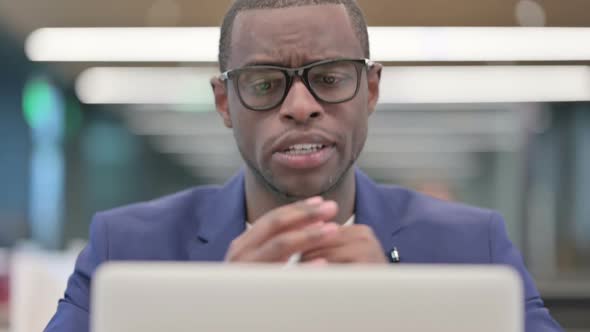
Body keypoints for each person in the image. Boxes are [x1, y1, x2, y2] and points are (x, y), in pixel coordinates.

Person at [45, 1, 563, 331]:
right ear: (225, 103)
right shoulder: (126, 248)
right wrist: (210, 317)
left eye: (331, 78)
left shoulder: (475, 247)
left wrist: (404, 315)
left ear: (372, 90)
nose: (299, 106)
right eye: (265, 83)